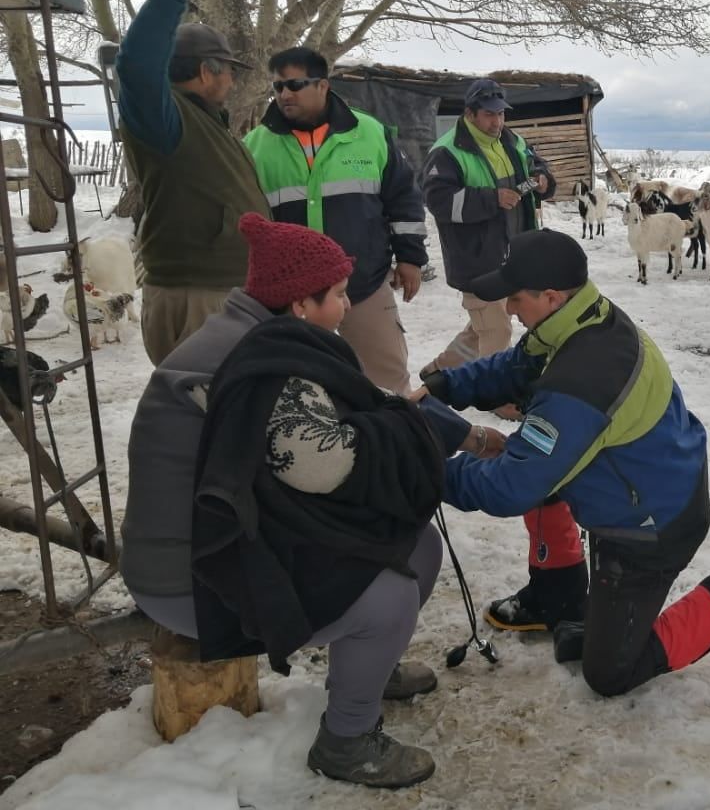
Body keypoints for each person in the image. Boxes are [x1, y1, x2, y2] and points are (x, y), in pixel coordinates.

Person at [121, 212, 503, 788]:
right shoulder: (259, 364)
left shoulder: (269, 337)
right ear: (301, 303)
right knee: (389, 587)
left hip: (227, 538)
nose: (348, 307)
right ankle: (346, 742)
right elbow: (326, 467)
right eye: (340, 294)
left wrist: (465, 436)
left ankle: (369, 669)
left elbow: (376, 403)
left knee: (416, 545)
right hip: (192, 574)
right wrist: (424, 457)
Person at [418, 228, 710, 698]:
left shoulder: (581, 381)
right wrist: (443, 386)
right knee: (541, 460)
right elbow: (516, 368)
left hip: (650, 529)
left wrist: (426, 470)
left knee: (609, 673)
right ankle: (557, 594)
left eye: (515, 299)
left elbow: (511, 486)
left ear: (552, 296)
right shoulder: (578, 320)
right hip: (643, 483)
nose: (510, 310)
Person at [115, 0, 270, 365]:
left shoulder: (206, 124)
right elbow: (136, 65)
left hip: (223, 292)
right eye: (229, 71)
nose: (233, 81)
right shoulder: (167, 121)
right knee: (206, 416)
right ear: (207, 70)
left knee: (228, 413)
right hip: (201, 297)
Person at [243, 48, 428, 394]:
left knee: (387, 380)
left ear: (323, 85)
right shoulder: (255, 146)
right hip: (291, 297)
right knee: (295, 386)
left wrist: (410, 257)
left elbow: (403, 197)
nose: (285, 94)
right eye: (278, 87)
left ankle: (394, 444)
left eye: (295, 84)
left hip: (364, 283)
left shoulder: (370, 133)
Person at [420, 79, 555, 414]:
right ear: (470, 114)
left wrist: (542, 179)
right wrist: (491, 199)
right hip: (476, 261)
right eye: (489, 115)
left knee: (481, 327)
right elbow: (437, 201)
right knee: (496, 327)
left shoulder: (512, 140)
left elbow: (538, 165)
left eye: (501, 114)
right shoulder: (447, 150)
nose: (497, 122)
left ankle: (442, 371)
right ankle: (496, 399)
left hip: (514, 254)